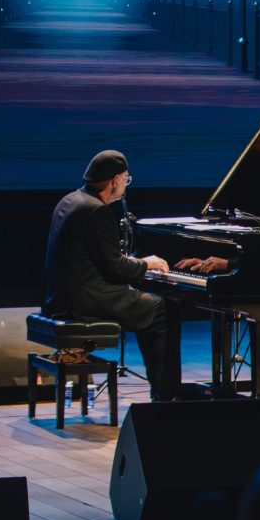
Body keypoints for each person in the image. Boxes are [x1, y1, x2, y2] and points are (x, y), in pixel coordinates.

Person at [42, 149, 182, 401]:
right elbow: (115, 269)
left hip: (61, 296)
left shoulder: (72, 200)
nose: (125, 185)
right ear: (115, 180)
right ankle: (166, 396)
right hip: (85, 299)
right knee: (163, 309)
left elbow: (97, 259)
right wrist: (146, 263)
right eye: (126, 179)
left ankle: (165, 393)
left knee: (149, 306)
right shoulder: (96, 211)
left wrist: (133, 264)